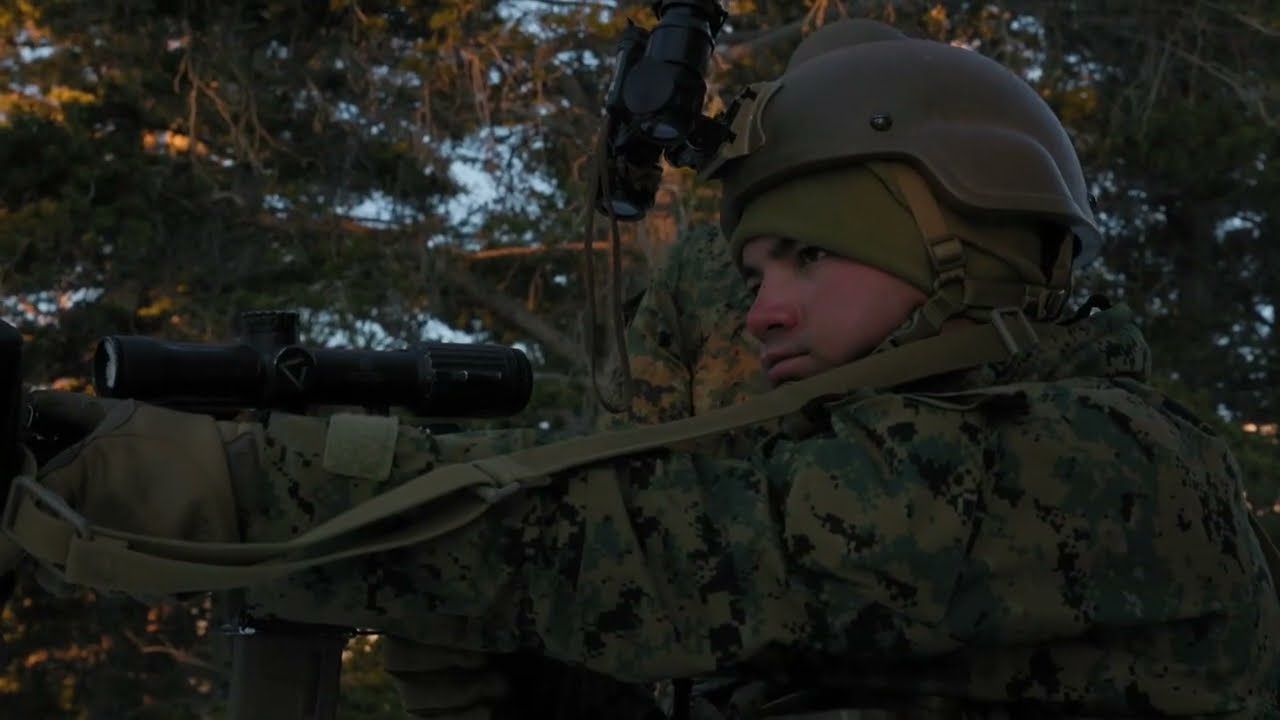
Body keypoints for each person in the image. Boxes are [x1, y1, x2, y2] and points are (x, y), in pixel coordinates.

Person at [6, 18, 1280, 719]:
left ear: (963, 250)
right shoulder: (876, 456)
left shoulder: (1104, 462)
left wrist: (160, 476)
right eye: (750, 268)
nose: (760, 312)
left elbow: (643, 550)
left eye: (801, 258)